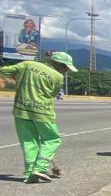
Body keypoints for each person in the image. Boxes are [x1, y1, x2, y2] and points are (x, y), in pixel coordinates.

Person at [0, 52, 77, 183]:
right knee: (52, 139)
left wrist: (17, 77)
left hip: (21, 110)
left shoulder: (27, 64)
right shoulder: (58, 77)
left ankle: (29, 174)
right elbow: (52, 94)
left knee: (29, 142)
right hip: (43, 113)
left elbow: (4, 70)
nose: (66, 71)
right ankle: (40, 168)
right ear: (58, 64)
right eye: (66, 68)